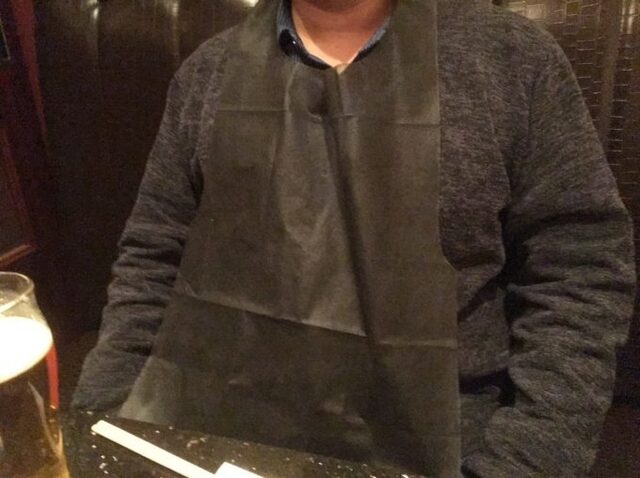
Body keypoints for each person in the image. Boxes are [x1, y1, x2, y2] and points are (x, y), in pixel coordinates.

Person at [72, 0, 636, 476]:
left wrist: (528, 459)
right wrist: (97, 426)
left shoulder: (512, 58)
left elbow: (580, 272)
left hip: (450, 438)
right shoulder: (206, 74)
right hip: (220, 423)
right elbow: (152, 260)